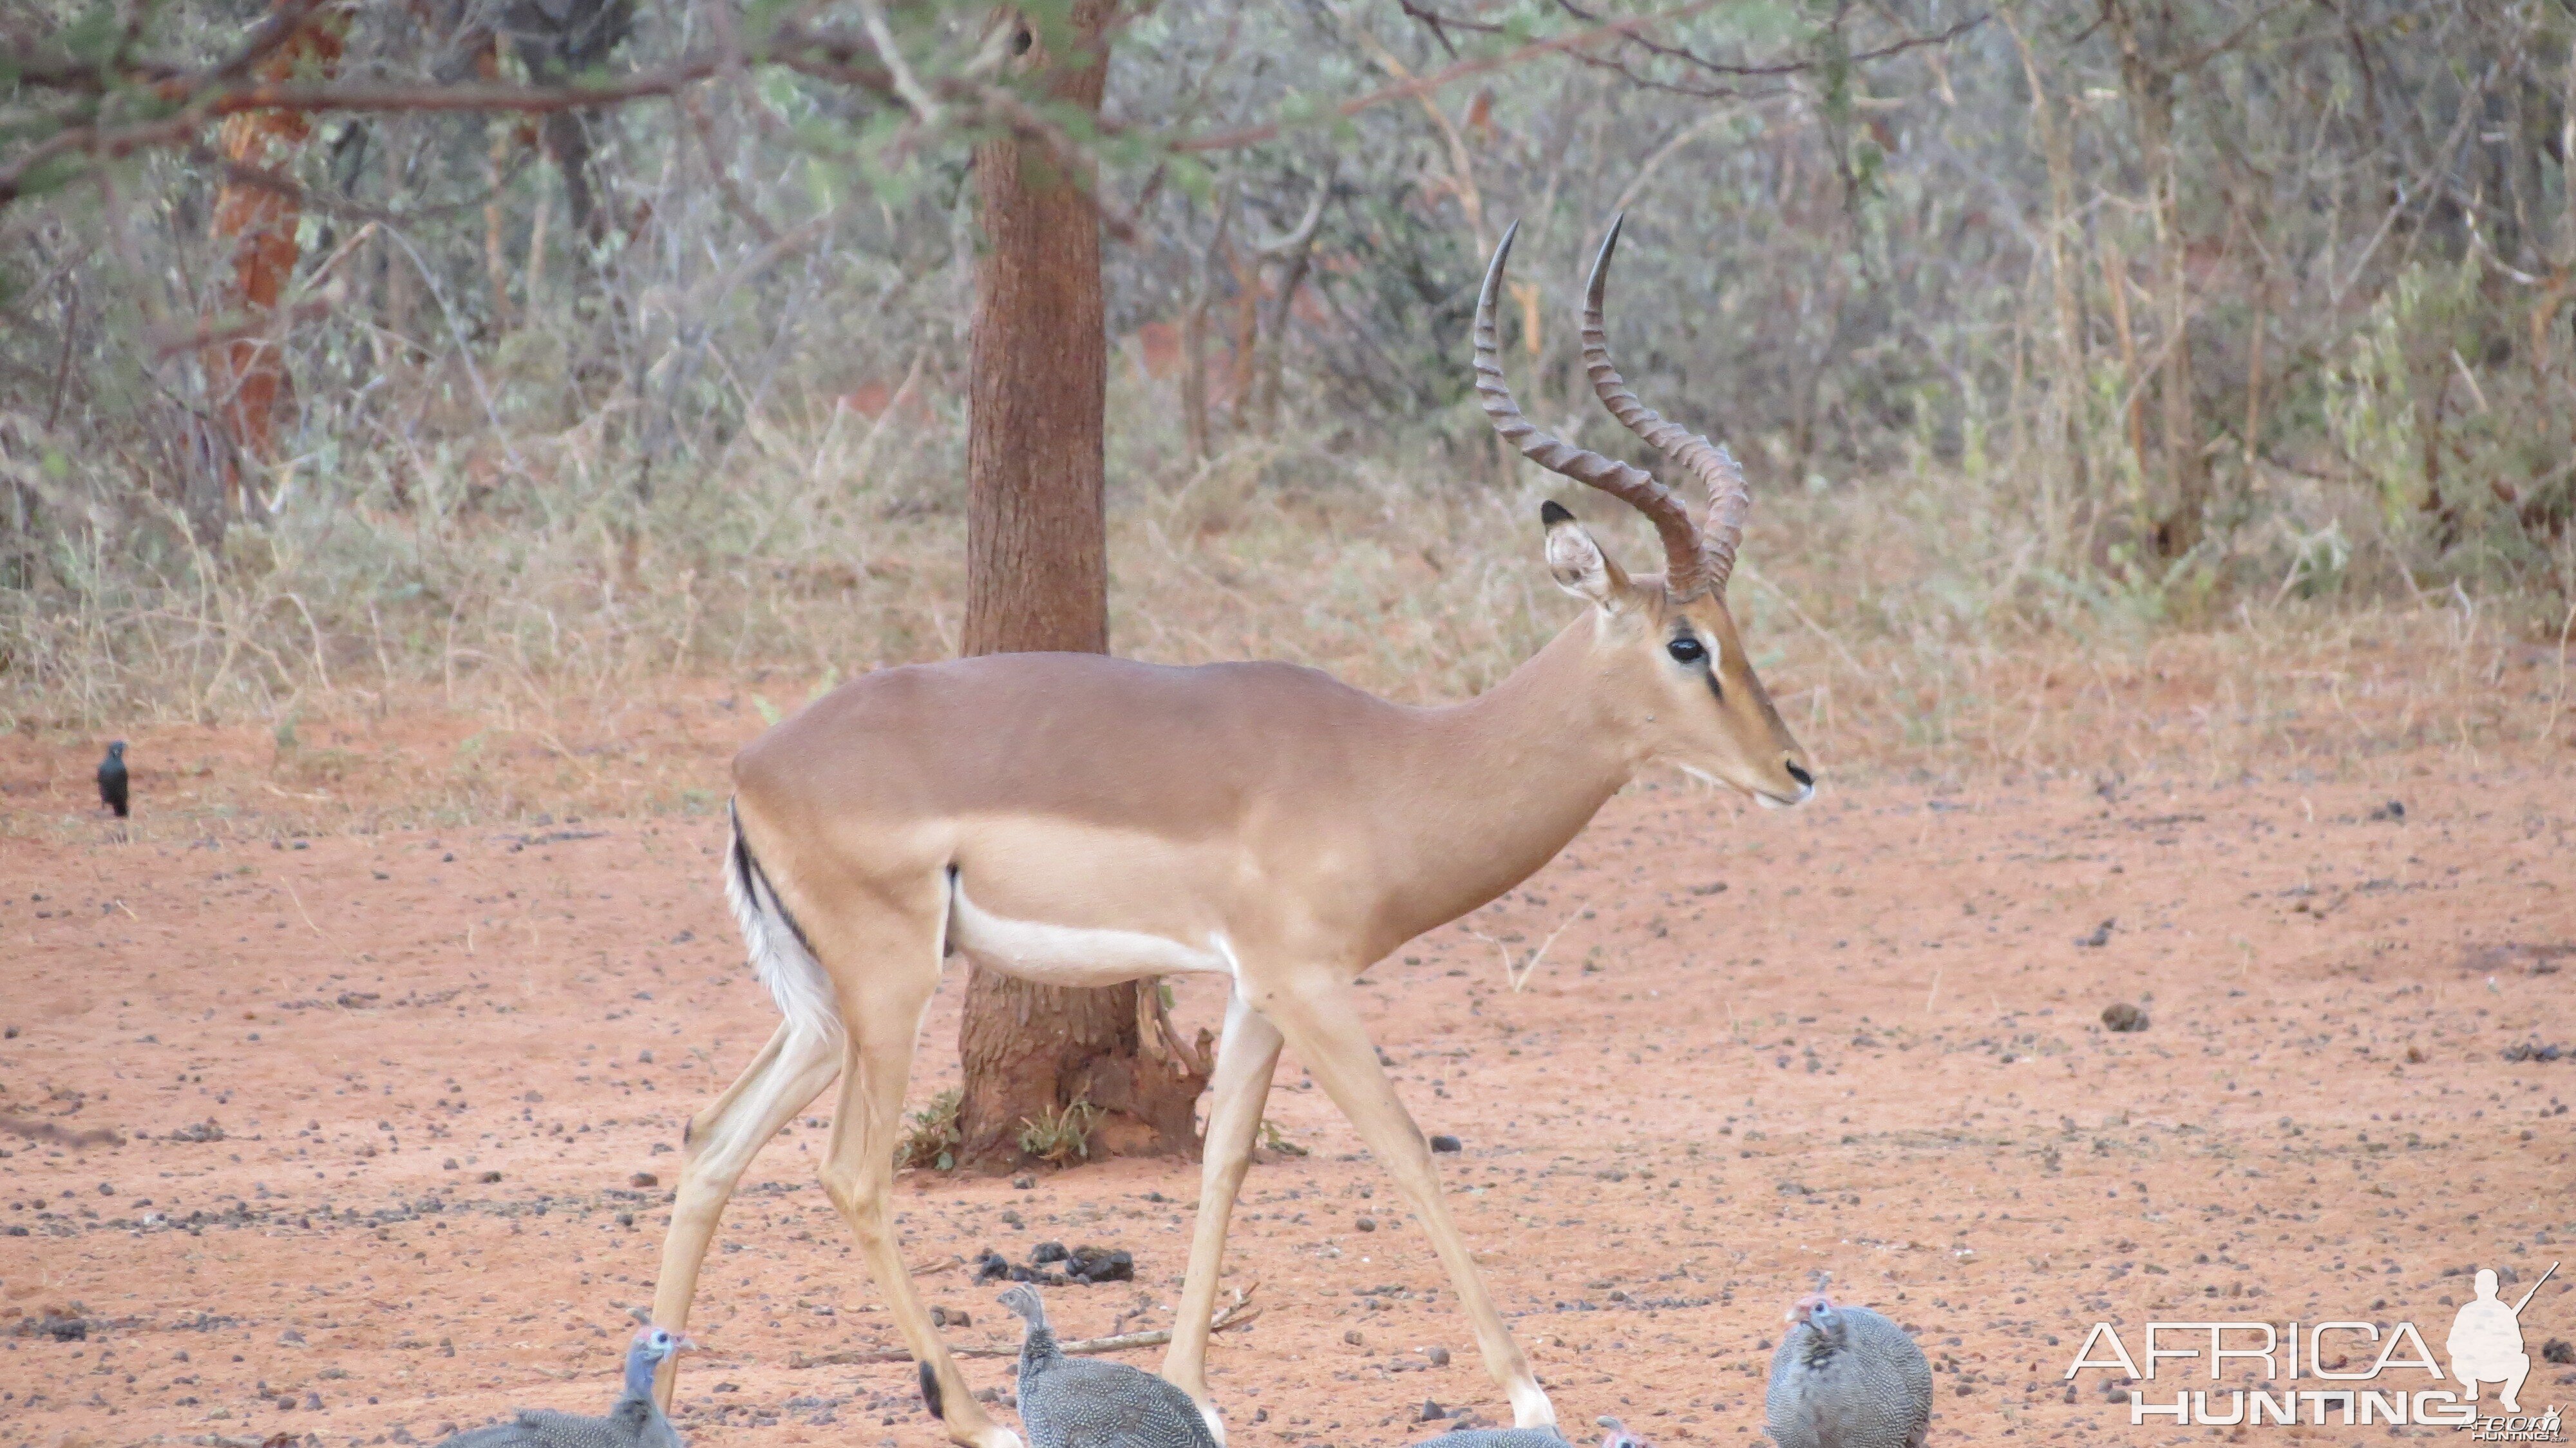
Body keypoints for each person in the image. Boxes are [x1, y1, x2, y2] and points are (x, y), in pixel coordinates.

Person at [2446, 1268, 2531, 1413]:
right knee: (2458, 1359)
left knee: (2523, 1360)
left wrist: (2499, 1347)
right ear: (2476, 1289)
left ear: (2496, 1288)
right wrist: (2472, 1349)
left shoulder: (2505, 1312)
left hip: (2497, 1366)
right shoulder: (2467, 1311)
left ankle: (2508, 1397)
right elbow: (2452, 1344)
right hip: (2471, 1367)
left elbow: (2518, 1345)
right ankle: (2471, 1386)